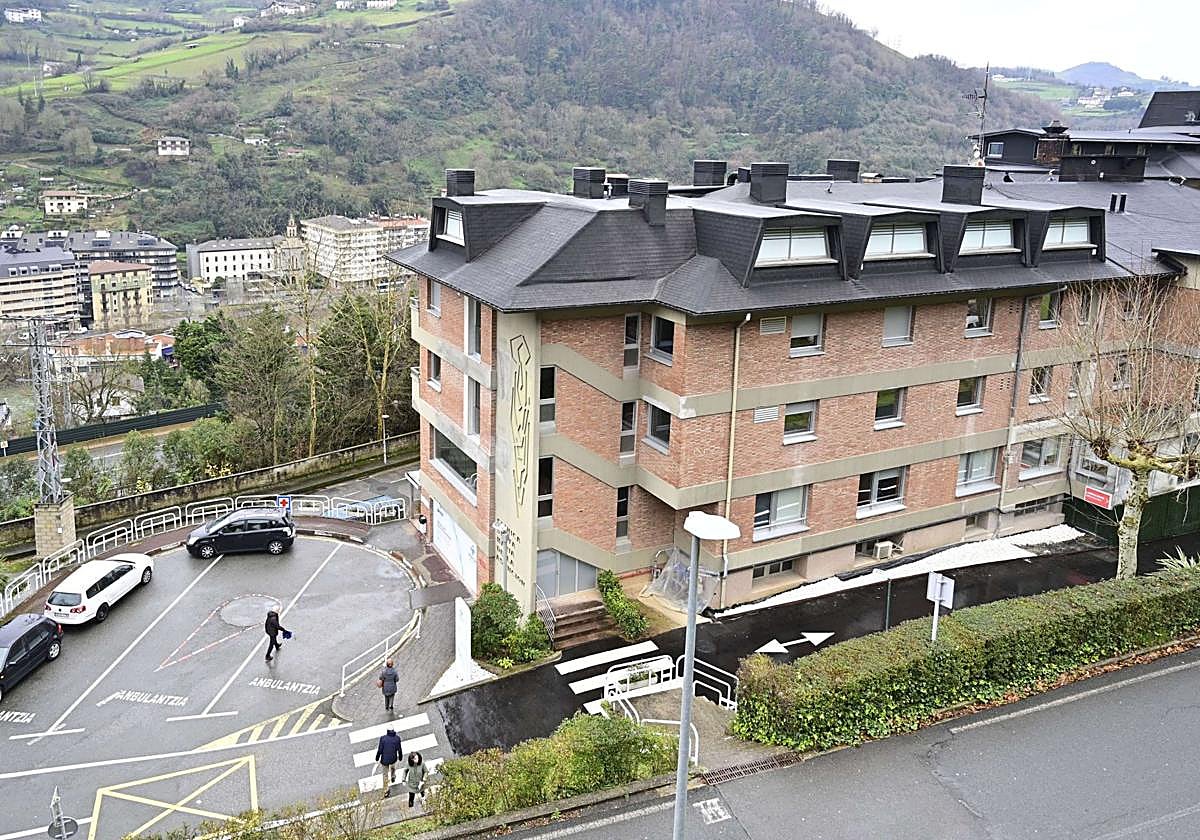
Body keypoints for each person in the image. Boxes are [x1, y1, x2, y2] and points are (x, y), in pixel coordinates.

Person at [375, 728, 403, 797]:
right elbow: (399, 749)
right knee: (393, 767)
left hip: (384, 760)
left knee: (385, 775)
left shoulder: (383, 739)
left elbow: (380, 750)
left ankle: (386, 790)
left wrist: (377, 757)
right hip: (393, 758)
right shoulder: (397, 738)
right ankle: (393, 776)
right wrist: (400, 757)